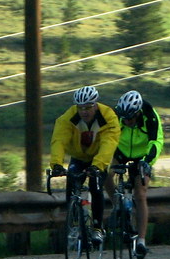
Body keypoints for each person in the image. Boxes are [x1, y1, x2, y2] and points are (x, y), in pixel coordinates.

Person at [49, 86, 120, 245]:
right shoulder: (69, 117)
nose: (84, 112)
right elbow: (59, 140)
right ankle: (74, 225)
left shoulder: (108, 116)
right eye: (80, 108)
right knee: (71, 186)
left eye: (88, 107)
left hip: (98, 157)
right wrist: (56, 164)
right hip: (79, 157)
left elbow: (109, 143)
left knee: (95, 187)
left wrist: (98, 165)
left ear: (95, 105)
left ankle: (97, 228)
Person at [108, 90, 164, 259]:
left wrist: (147, 162)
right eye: (124, 118)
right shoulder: (117, 115)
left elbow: (156, 141)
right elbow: (107, 138)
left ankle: (141, 240)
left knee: (140, 194)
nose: (127, 121)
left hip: (142, 155)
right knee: (104, 174)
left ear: (138, 113)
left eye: (130, 118)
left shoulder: (150, 115)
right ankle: (117, 204)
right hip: (121, 150)